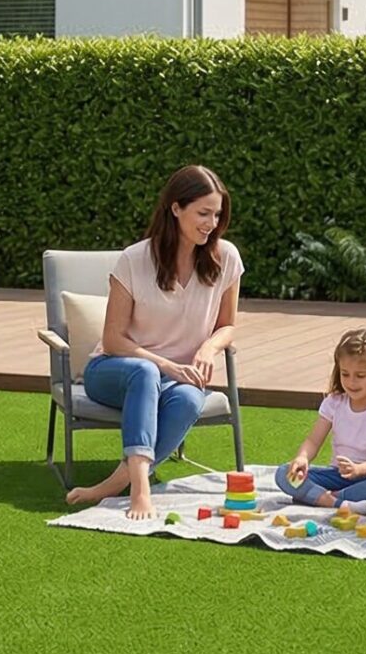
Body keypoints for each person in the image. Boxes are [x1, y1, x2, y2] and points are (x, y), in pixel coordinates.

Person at [63, 165, 244, 520]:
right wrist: (163, 363)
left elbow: (228, 326)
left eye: (217, 214)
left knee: (192, 398)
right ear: (176, 208)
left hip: (177, 379)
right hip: (114, 370)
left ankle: (117, 480)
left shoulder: (226, 258)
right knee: (145, 373)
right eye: (202, 213)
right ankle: (140, 489)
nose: (211, 223)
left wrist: (208, 348)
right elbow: (113, 339)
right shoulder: (135, 258)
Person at [278, 328, 366, 515]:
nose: (351, 382)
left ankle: (321, 497)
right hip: (339, 475)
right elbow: (313, 441)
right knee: (283, 473)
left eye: (360, 376)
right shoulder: (334, 402)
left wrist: (359, 469)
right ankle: (339, 503)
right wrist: (302, 458)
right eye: (345, 374)